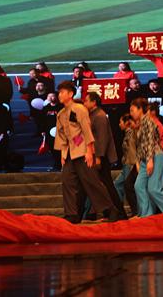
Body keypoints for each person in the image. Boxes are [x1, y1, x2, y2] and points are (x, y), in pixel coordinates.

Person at [56, 81, 121, 223]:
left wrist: (90, 150)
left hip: (82, 151)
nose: (59, 95)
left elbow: (86, 130)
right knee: (67, 181)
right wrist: (62, 154)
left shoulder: (79, 109)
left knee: (92, 182)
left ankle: (110, 209)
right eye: (59, 92)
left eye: (62, 92)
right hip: (69, 153)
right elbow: (62, 136)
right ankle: (72, 213)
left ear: (70, 94)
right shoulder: (60, 114)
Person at [132, 98, 163, 217]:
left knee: (154, 188)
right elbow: (141, 145)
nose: (131, 113)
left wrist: (150, 160)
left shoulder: (149, 121)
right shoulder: (140, 124)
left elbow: (150, 141)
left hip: (155, 156)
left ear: (140, 109)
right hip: (145, 159)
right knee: (139, 186)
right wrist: (138, 162)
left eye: (132, 110)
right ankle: (146, 214)